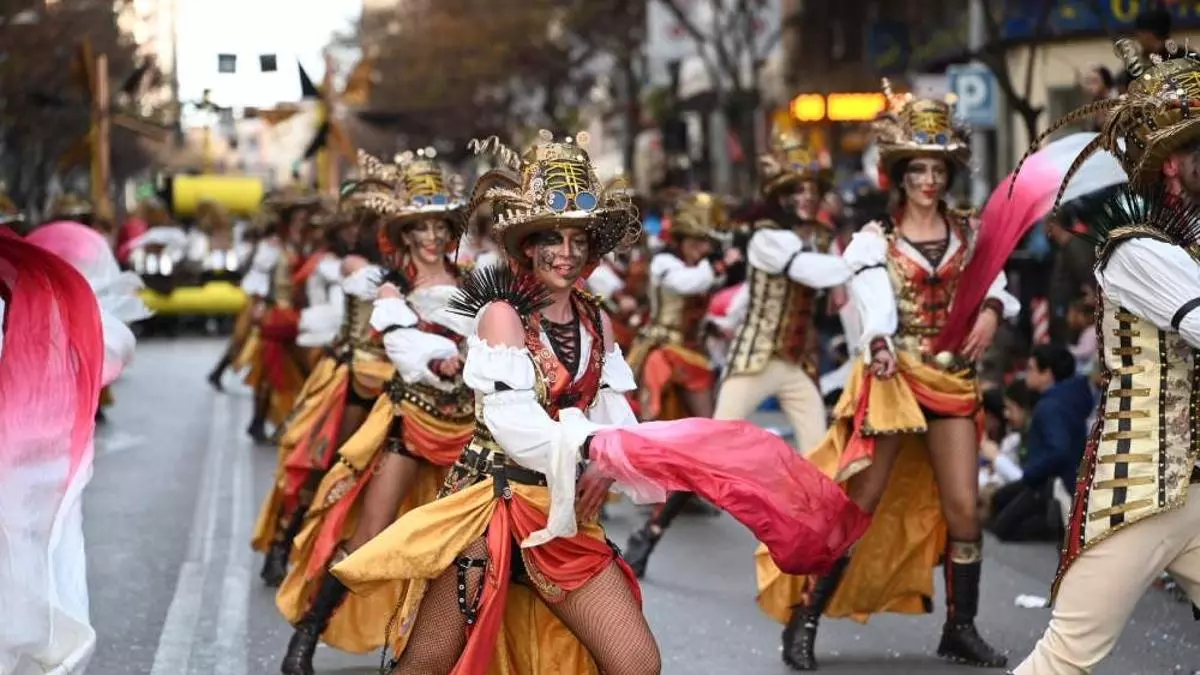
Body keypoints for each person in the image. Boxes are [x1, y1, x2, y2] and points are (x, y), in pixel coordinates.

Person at [327, 131, 869, 675]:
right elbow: (515, 426)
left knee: (635, 662)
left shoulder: (595, 317)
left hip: (564, 518)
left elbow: (612, 408)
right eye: (552, 239)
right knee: (427, 664)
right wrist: (598, 449)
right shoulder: (501, 315)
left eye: (578, 240)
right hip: (490, 513)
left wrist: (609, 464)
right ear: (527, 245)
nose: (566, 254)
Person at [760, 82, 1020, 671]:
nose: (929, 180)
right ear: (899, 175)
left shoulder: (970, 232)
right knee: (861, 503)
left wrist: (990, 311)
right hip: (894, 380)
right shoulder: (875, 240)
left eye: (937, 169)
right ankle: (804, 620)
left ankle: (961, 628)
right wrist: (876, 343)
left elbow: (996, 285)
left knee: (964, 510)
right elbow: (872, 303)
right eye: (917, 169)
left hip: (952, 380)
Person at [1014, 43, 1200, 674]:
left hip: (1195, 487)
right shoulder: (1136, 249)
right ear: (1171, 165)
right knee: (1065, 658)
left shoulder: (1187, 243)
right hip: (1142, 487)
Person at [276, 149, 476, 675]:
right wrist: (446, 360)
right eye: (422, 228)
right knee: (369, 537)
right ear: (406, 234)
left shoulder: (477, 281)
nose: (432, 237)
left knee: (460, 550)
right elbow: (405, 355)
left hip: (471, 431)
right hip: (411, 422)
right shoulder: (387, 288)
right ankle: (306, 635)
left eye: (440, 226)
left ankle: (431, 650)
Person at [1, 221, 148, 674]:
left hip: (37, 463)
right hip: (36, 462)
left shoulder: (42, 308)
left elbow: (112, 348)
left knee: (40, 559)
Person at [252, 157, 395, 588]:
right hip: (353, 375)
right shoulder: (347, 265)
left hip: (403, 384)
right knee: (323, 462)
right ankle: (283, 545)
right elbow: (341, 310)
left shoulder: (411, 265)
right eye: (373, 220)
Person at [988, 345, 1092, 542]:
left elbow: (1059, 450)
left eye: (1031, 369)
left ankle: (1053, 526)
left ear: (1047, 374)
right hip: (1055, 477)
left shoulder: (1050, 407)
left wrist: (1033, 472)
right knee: (999, 500)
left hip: (1049, 481)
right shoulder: (1069, 399)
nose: (1027, 374)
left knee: (1003, 526)